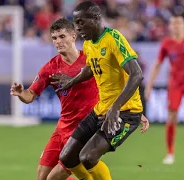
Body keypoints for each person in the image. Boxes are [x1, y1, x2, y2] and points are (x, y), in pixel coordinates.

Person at [49, 1, 149, 180]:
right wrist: (72, 81)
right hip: (102, 109)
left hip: (125, 112)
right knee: (67, 157)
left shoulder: (113, 38)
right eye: (75, 23)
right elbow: (91, 68)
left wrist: (116, 108)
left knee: (87, 157)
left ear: (96, 19)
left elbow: (137, 74)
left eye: (81, 22)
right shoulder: (88, 43)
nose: (78, 28)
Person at [10, 18, 99, 180]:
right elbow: (30, 96)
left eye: (62, 36)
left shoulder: (91, 59)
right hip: (62, 128)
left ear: (73, 36)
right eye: (54, 38)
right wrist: (21, 93)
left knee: (54, 178)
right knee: (41, 177)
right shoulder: (50, 68)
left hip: (85, 130)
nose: (58, 41)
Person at [145, 15, 184, 164]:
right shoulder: (167, 44)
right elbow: (156, 65)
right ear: (170, 27)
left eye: (179, 23)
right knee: (171, 118)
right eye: (173, 24)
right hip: (175, 85)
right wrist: (148, 86)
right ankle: (170, 153)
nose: (176, 26)